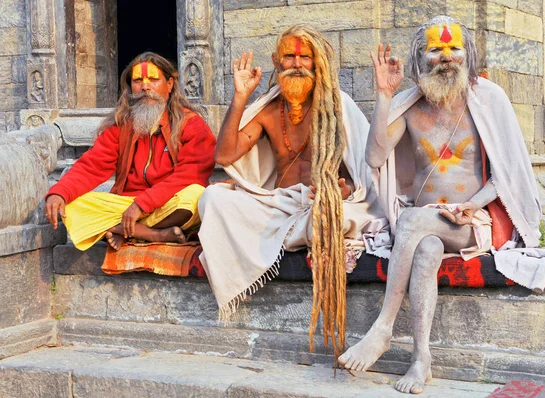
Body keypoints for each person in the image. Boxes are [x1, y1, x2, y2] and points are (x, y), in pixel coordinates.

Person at [337, 15, 545, 394]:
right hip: (427, 226)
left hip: (475, 222)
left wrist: (473, 205)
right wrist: (384, 96)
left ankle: (383, 328)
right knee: (425, 246)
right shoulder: (410, 107)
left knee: (410, 221)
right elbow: (374, 158)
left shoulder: (488, 100)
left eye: (454, 48)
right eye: (435, 50)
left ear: (468, 55)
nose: (446, 57)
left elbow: (508, 172)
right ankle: (421, 359)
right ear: (419, 59)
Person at [198, 24, 390, 360]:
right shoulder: (269, 109)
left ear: (318, 64)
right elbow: (224, 156)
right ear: (276, 60)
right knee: (212, 198)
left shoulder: (337, 106)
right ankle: (308, 237)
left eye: (305, 57)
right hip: (282, 204)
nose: (297, 63)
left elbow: (364, 174)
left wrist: (339, 191)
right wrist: (241, 96)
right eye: (289, 56)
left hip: (327, 203)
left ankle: (314, 233)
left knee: (331, 216)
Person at [45, 52, 216, 251]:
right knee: (73, 207)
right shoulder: (122, 126)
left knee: (195, 196)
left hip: (168, 203)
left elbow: (190, 175)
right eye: (137, 81)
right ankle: (150, 233)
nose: (145, 87)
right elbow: (92, 165)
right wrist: (59, 193)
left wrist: (142, 205)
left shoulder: (190, 123)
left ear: (169, 85)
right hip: (127, 205)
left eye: (153, 79)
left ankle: (125, 231)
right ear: (130, 88)